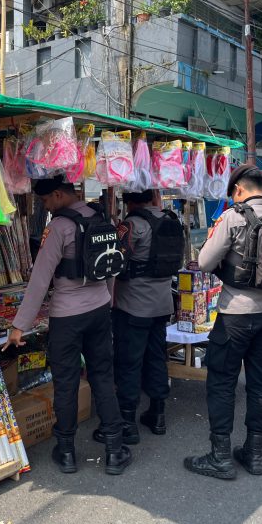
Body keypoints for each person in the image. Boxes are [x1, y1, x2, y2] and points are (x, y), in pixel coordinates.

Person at [3, 175, 132, 476]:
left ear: (59, 195)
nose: (45, 206)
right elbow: (111, 266)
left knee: (66, 383)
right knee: (102, 376)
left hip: (67, 318)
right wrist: (107, 300)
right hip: (99, 310)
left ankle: (66, 451)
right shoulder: (102, 218)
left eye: (46, 201)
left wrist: (19, 325)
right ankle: (114, 450)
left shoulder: (58, 227)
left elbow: (39, 280)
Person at [184, 165, 262, 479]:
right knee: (261, 382)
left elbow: (206, 262)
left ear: (238, 189)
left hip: (236, 314)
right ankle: (254, 453)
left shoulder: (233, 218)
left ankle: (220, 457)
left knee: (222, 383)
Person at [93, 189, 175, 445]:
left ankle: (127, 423)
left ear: (128, 202)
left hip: (133, 305)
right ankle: (158, 414)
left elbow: (115, 260)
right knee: (157, 357)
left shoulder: (131, 225)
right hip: (162, 304)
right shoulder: (171, 220)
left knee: (129, 362)